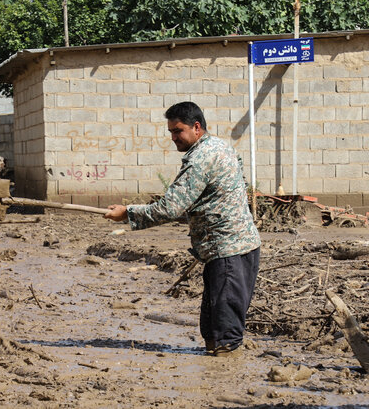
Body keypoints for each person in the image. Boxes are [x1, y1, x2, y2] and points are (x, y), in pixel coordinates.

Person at [105, 101, 261, 357]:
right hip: (231, 248)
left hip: (229, 250)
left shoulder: (200, 158)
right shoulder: (221, 147)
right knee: (212, 327)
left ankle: (226, 377)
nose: (173, 138)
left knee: (225, 333)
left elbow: (170, 208)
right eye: (170, 132)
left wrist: (127, 213)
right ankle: (214, 378)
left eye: (178, 131)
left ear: (196, 127)